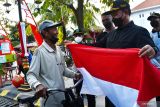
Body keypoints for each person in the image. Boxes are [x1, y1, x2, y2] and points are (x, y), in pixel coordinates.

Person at [95, 0, 158, 106]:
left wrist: (153, 50)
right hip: (112, 88)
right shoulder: (110, 35)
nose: (113, 17)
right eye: (112, 14)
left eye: (116, 13)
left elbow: (152, 49)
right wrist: (75, 46)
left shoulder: (139, 32)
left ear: (125, 12)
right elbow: (96, 47)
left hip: (131, 90)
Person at [27, 20, 81, 107]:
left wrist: (75, 75)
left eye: (56, 28)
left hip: (62, 95)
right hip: (49, 100)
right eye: (53, 29)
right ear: (45, 33)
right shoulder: (39, 51)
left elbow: (63, 70)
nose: (57, 32)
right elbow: (30, 75)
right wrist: (38, 85)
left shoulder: (58, 49)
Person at [71, 29, 96, 107]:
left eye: (80, 35)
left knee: (90, 95)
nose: (78, 37)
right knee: (78, 95)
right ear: (73, 36)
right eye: (76, 35)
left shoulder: (88, 45)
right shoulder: (71, 46)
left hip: (87, 74)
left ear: (83, 36)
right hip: (77, 74)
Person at [147, 12, 160, 106]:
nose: (152, 21)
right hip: (156, 67)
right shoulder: (150, 34)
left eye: (154, 18)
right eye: (151, 20)